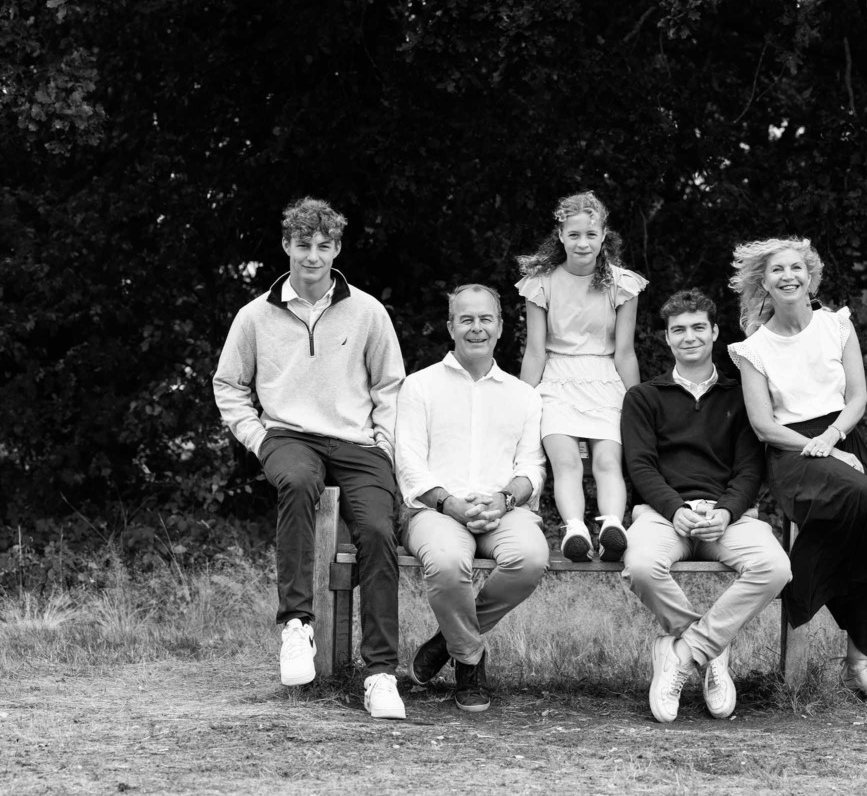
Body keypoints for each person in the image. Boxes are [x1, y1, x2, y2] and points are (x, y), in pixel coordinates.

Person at [213, 197, 406, 720]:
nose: (314, 256)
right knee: (297, 484)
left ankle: (381, 673)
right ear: (286, 246)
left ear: (337, 248)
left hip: (358, 443)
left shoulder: (367, 311)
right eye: (304, 245)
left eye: (324, 246)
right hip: (288, 436)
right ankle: (297, 627)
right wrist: (256, 437)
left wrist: (386, 447)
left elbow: (391, 385)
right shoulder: (255, 315)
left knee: (378, 530)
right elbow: (229, 384)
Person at [727, 237, 867, 712]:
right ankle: (801, 585)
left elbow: (858, 398)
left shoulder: (837, 326)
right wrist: (817, 447)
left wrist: (832, 440)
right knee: (865, 501)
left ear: (810, 276)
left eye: (795, 268)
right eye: (776, 271)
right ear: (762, 283)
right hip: (793, 455)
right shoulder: (753, 349)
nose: (787, 276)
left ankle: (859, 667)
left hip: (842, 437)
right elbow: (765, 425)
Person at [621, 289, 791, 723]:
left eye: (699, 327)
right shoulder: (644, 397)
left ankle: (684, 652)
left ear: (715, 332)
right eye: (679, 329)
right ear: (666, 337)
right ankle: (713, 650)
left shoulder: (741, 395)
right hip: (663, 516)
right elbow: (640, 467)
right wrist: (675, 509)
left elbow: (750, 470)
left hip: (728, 517)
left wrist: (726, 512)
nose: (689, 336)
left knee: (775, 567)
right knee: (640, 565)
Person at [396, 284, 550, 713]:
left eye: (485, 319)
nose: (476, 328)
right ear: (450, 326)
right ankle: (469, 661)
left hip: (504, 509)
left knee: (530, 559)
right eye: (466, 319)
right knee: (446, 563)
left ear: (500, 327)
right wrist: (451, 504)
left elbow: (532, 468)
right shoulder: (418, 386)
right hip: (436, 509)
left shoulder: (524, 395)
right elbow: (408, 466)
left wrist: (504, 499)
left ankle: (447, 641)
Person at [516, 191, 648, 562]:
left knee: (608, 460)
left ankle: (611, 527)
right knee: (567, 462)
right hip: (557, 380)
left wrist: (636, 405)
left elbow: (624, 351)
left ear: (604, 235)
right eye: (574, 235)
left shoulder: (622, 283)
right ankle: (575, 528)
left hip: (605, 379)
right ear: (560, 236)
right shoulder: (541, 282)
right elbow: (536, 350)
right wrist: (523, 404)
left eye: (591, 234)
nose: (582, 243)